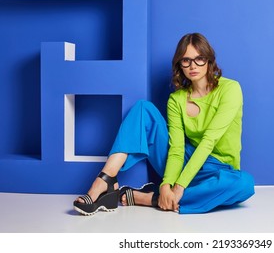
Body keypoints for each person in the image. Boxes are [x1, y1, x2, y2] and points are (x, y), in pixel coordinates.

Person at [74, 33, 255, 215]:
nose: (193, 66)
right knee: (143, 109)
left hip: (217, 171)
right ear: (180, 64)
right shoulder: (176, 99)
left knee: (244, 184)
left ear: (208, 60)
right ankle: (106, 180)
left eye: (199, 59)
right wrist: (167, 184)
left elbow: (209, 141)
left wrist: (179, 187)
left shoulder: (230, 89)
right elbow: (176, 149)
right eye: (186, 60)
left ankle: (151, 198)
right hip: (184, 162)